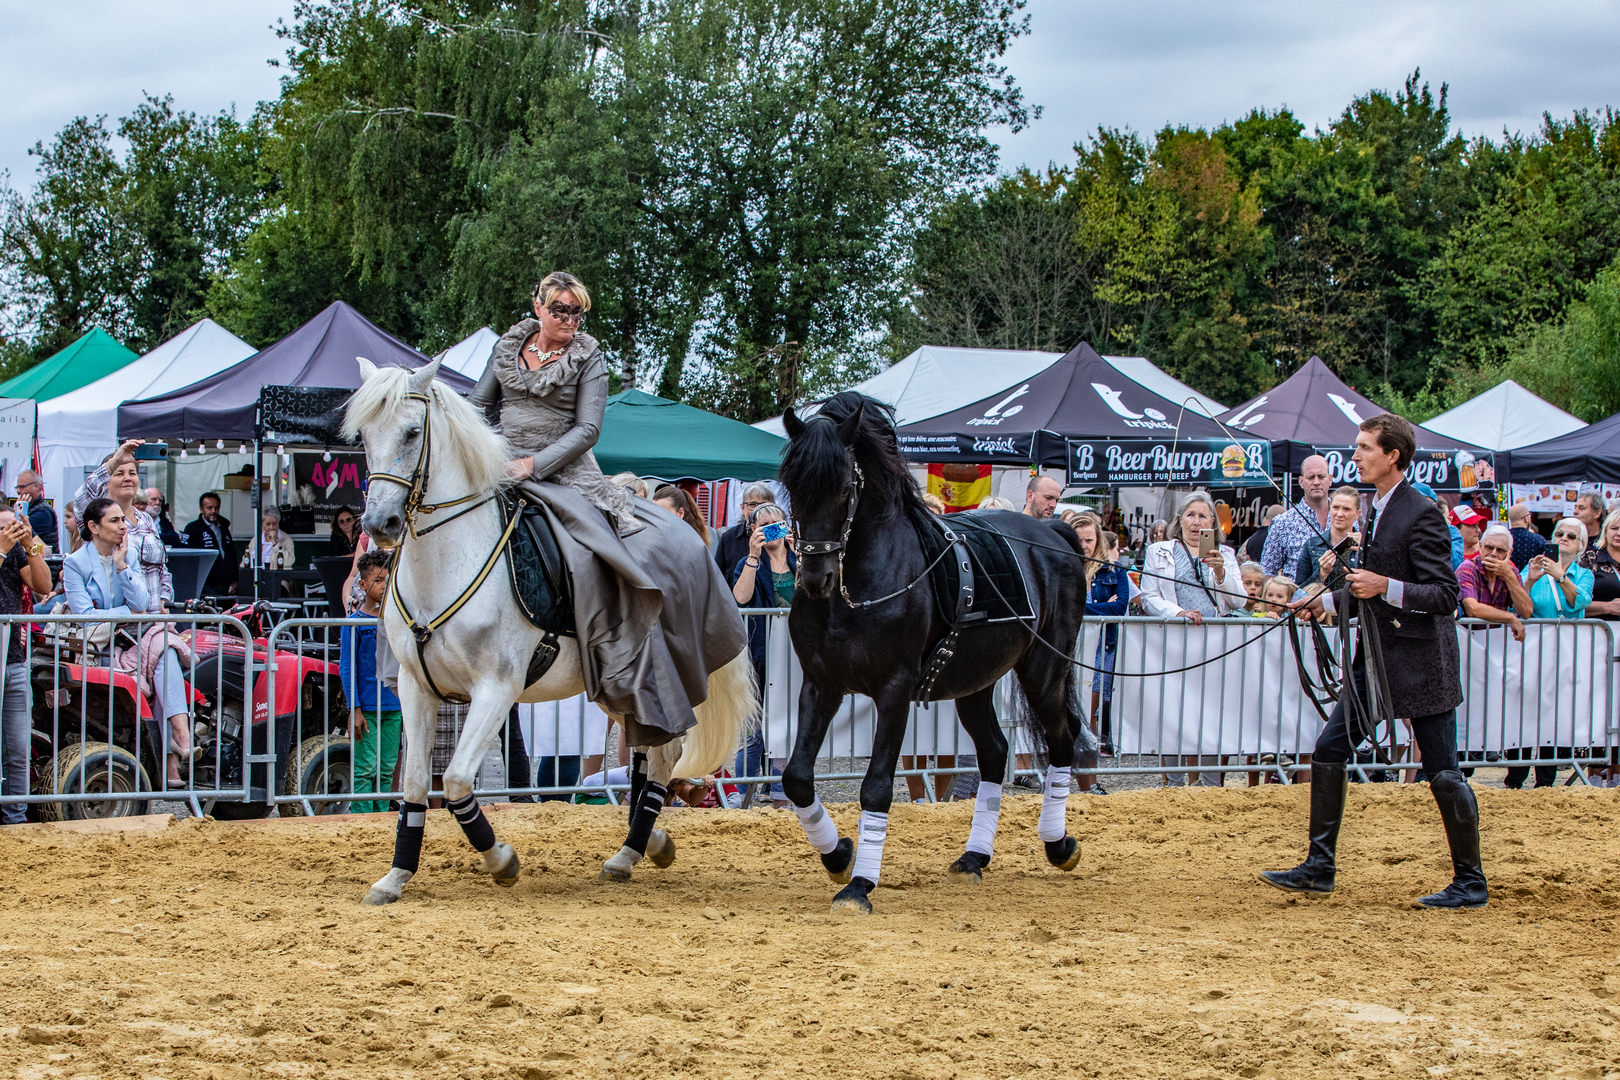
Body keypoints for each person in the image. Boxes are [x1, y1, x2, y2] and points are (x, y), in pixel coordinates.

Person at [1265, 412, 1486, 908]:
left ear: (1393, 456)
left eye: (1365, 447)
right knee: (1329, 751)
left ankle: (1470, 882)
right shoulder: (1380, 509)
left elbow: (1444, 594)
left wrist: (1385, 585)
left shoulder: (1421, 511)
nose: (1356, 455)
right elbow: (1365, 589)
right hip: (1379, 662)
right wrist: (1320, 602)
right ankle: (1319, 867)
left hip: (1422, 664)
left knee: (1443, 771)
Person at [64, 498, 198, 787]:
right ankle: (172, 756)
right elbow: (84, 615)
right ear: (93, 527)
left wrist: (121, 566)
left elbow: (141, 603)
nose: (123, 526)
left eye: (123, 520)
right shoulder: (75, 563)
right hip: (100, 645)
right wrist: (126, 613)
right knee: (160, 655)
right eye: (114, 520)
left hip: (133, 637)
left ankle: (181, 735)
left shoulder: (129, 554)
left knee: (164, 650)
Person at [728, 504, 793, 807]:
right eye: (764, 525)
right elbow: (740, 599)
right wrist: (753, 556)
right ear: (753, 530)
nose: (771, 529)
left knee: (786, 728)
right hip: (760, 655)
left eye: (776, 523)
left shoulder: (799, 559)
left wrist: (801, 557)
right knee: (753, 731)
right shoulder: (748, 562)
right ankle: (743, 795)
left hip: (795, 657)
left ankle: (780, 793)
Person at [76, 440, 173, 614]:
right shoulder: (98, 517)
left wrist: (165, 599)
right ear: (106, 482)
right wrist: (113, 462)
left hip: (154, 619)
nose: (127, 478)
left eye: (132, 473)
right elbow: (81, 498)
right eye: (119, 473)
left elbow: (161, 567)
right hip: (119, 622)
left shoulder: (145, 519)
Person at [341, 549, 403, 814]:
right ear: (363, 584)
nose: (383, 585)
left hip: (393, 706)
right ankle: (362, 818)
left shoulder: (396, 621)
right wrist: (354, 708)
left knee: (387, 768)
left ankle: (382, 819)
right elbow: (347, 667)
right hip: (366, 708)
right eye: (377, 580)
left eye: (387, 579)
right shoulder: (353, 623)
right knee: (365, 767)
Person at [0, 508, 49, 824]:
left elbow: (42, 586)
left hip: (14, 660)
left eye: (13, 526)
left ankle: (15, 820)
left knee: (18, 750)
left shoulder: (17, 547)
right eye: (4, 528)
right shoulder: (4, 548)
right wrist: (2, 549)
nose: (10, 532)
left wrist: (30, 544)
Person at [1138, 491, 1245, 623]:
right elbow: (1149, 597)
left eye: (1202, 516)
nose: (1196, 522)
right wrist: (1178, 614)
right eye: (1190, 515)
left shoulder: (1226, 554)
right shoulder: (1157, 551)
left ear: (1211, 521)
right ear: (1180, 519)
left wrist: (1221, 574)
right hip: (1175, 629)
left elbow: (1239, 602)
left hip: (1215, 630)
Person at [1260, 455, 1332, 575]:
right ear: (1301, 482)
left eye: (1321, 476)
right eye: (1310, 477)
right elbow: (1267, 573)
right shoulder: (1283, 523)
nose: (1316, 482)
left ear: (1330, 479)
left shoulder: (1346, 517)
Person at [1458, 525, 1532, 642]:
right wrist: (1510, 618)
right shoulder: (1468, 568)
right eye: (1489, 547)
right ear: (1480, 546)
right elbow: (1472, 608)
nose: (1493, 553)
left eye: (1500, 550)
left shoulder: (1511, 572)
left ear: (1509, 553)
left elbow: (1526, 611)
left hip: (1492, 643)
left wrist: (1509, 577)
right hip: (1465, 642)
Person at [1524, 518, 1593, 620]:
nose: (1564, 538)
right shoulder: (1534, 567)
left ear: (1581, 545)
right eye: (1559, 534)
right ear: (1553, 538)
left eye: (1571, 536)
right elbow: (1514, 604)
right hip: (1538, 630)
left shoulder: (1585, 574)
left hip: (1571, 631)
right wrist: (1529, 581)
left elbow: (1582, 602)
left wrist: (1560, 577)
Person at [1295, 486, 1362, 592]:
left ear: (1357, 514)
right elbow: (1299, 592)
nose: (1339, 514)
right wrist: (1322, 573)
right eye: (1336, 507)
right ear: (1330, 509)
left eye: (1346, 509)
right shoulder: (1312, 545)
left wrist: (1365, 552)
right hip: (1321, 602)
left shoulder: (1366, 546)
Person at [714, 483, 775, 580]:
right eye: (752, 504)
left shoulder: (780, 538)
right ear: (742, 508)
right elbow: (717, 576)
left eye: (764, 505)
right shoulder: (729, 537)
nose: (757, 509)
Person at [183, 491, 238, 595]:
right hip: (205, 586)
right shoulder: (192, 529)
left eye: (216, 508)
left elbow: (232, 556)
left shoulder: (224, 528)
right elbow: (186, 559)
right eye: (209, 508)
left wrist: (236, 580)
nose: (213, 511)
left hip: (227, 586)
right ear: (201, 509)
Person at [15, 470, 57, 551]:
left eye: (22, 487)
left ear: (36, 486)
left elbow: (18, 532)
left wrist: (16, 512)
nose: (18, 491)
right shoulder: (31, 508)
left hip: (42, 557)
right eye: (17, 487)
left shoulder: (43, 512)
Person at [1507, 504, 1548, 569]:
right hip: (1533, 575)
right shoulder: (1538, 539)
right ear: (1526, 518)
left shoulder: (1504, 538)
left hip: (1507, 574)